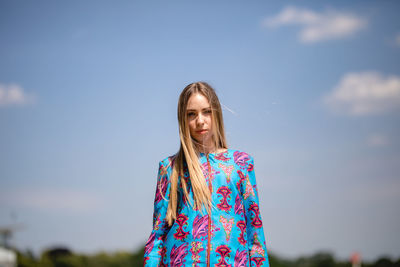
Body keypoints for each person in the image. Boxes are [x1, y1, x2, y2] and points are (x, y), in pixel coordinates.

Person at [143, 82, 269, 267]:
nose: (200, 120)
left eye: (206, 111)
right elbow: (158, 236)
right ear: (182, 120)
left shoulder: (241, 163)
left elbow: (255, 235)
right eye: (191, 114)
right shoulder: (170, 168)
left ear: (216, 113)